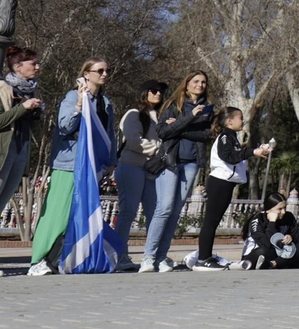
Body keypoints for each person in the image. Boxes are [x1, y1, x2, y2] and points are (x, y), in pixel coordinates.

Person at [29, 58, 116, 275]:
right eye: (100, 70)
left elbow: (109, 134)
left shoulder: (105, 103)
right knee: (58, 215)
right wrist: (79, 104)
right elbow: (64, 126)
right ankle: (38, 261)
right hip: (69, 164)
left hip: (92, 166)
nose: (105, 74)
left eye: (107, 70)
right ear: (86, 73)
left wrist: (111, 160)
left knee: (79, 215)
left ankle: (58, 260)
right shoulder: (72, 96)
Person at [142, 70, 213, 273]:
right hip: (170, 161)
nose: (200, 85)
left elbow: (207, 134)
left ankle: (162, 257)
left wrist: (180, 127)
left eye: (203, 82)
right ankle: (149, 257)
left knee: (175, 211)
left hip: (191, 162)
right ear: (187, 83)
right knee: (163, 208)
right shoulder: (174, 105)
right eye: (196, 81)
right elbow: (163, 131)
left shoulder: (208, 108)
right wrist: (190, 117)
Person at [191, 106, 275, 270]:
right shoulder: (225, 136)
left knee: (213, 221)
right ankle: (203, 259)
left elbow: (236, 155)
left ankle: (206, 256)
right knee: (211, 221)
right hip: (219, 182)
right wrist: (253, 152)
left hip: (226, 182)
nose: (243, 121)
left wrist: (254, 152)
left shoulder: (232, 137)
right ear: (229, 121)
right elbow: (229, 156)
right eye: (240, 118)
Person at [113, 80, 165, 267]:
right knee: (128, 212)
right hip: (130, 167)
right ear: (144, 92)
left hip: (150, 170)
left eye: (160, 91)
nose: (158, 93)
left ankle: (152, 256)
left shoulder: (157, 116)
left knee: (155, 212)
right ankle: (119, 256)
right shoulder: (134, 114)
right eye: (153, 90)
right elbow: (134, 141)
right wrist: (160, 150)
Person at [0, 47, 43, 234]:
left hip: (20, 149)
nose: (37, 67)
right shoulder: (1, 88)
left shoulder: (32, 89)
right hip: (1, 153)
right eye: (33, 63)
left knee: (0, 205)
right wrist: (22, 108)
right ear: (17, 66)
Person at [241, 190, 299, 270]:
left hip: (280, 252)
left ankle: (274, 264)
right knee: (262, 252)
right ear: (269, 209)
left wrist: (291, 237)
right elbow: (266, 245)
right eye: (279, 209)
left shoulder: (288, 216)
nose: (283, 212)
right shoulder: (258, 220)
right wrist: (272, 222)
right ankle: (289, 262)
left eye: (284, 208)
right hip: (259, 252)